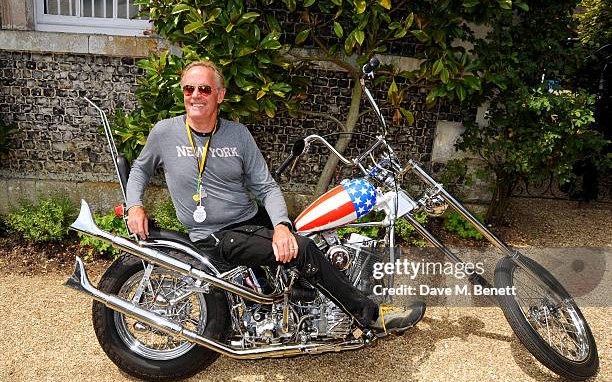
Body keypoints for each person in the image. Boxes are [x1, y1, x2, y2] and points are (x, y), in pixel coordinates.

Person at [125, 60, 425, 335]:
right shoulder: (165, 132)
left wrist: (281, 224)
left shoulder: (237, 134)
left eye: (204, 88)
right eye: (189, 88)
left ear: (220, 95)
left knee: (309, 235)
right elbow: (140, 169)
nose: (195, 95)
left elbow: (266, 187)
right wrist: (134, 205)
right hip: (214, 234)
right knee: (303, 249)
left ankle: (309, 308)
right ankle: (370, 315)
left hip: (249, 219)